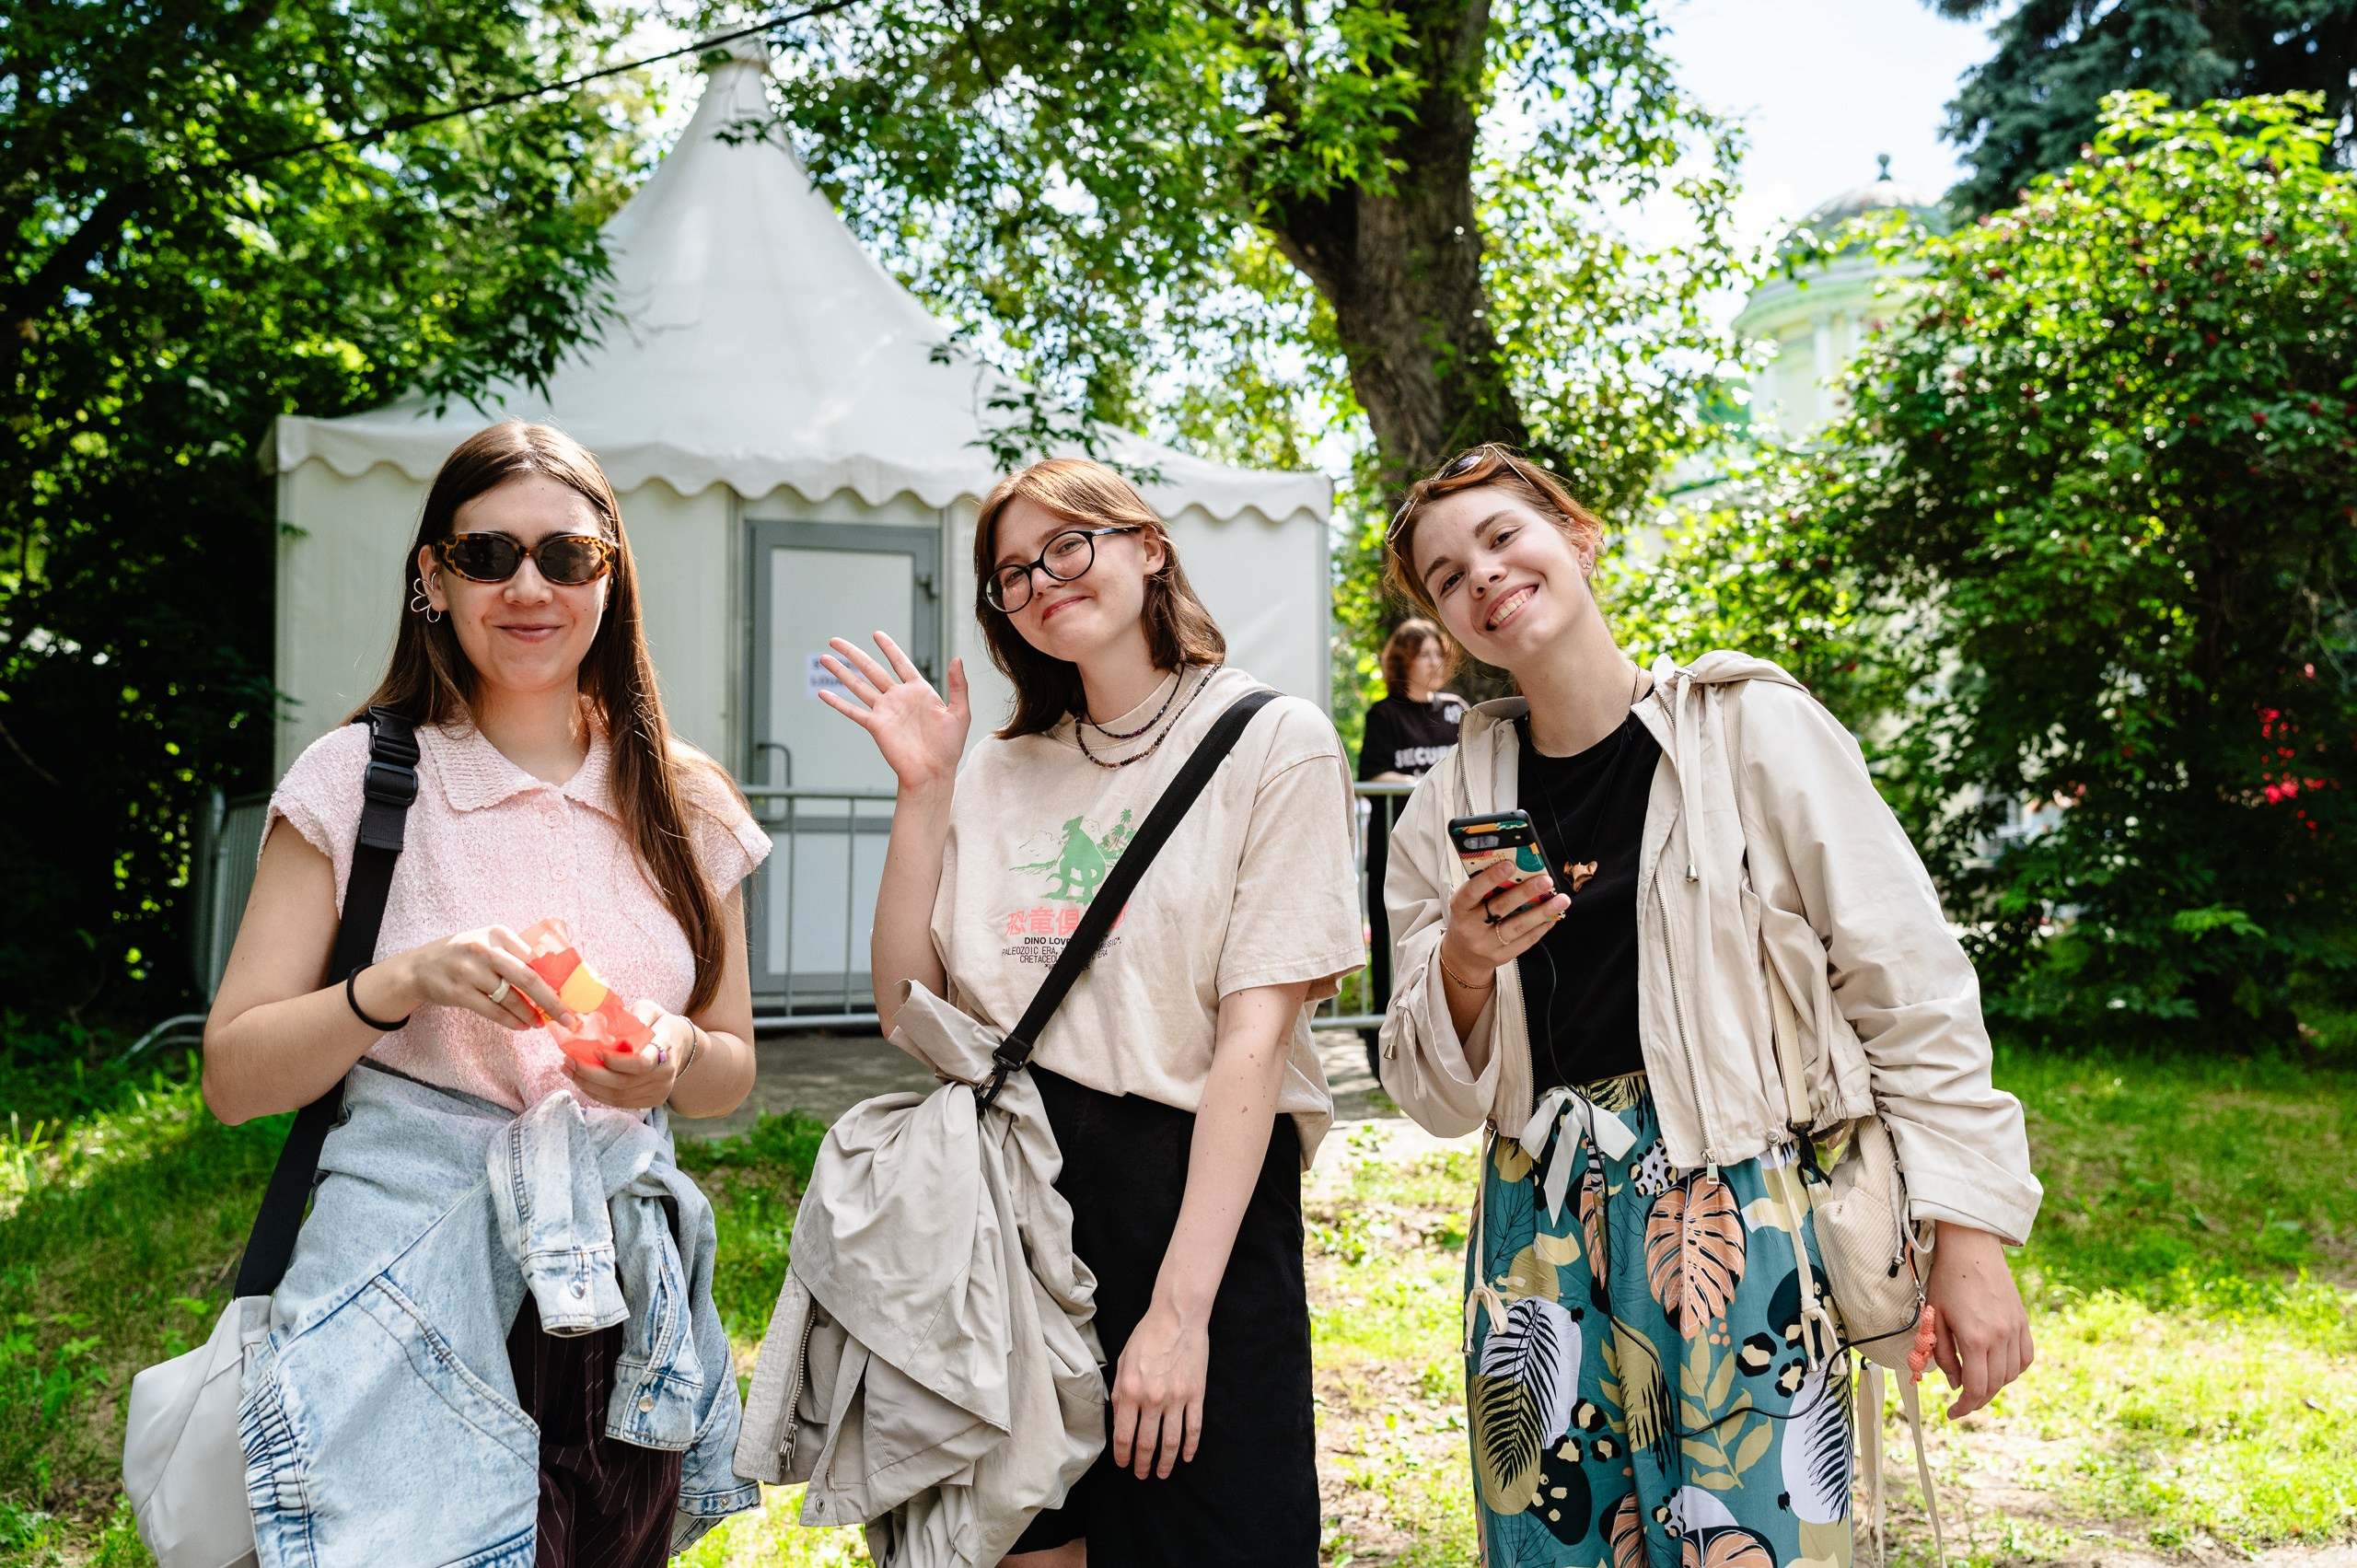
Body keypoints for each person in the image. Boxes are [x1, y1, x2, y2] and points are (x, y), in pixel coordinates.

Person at [1375, 446, 2040, 1565]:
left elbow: (1907, 983)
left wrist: (1969, 1239)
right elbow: (1428, 1093)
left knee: (1762, 1545)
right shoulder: (1448, 798)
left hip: (1744, 1212)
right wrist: (1462, 966)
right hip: (1534, 1243)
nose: (1480, 576)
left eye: (1502, 537)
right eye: (1446, 576)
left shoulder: (1748, 729)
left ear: (1577, 536)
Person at [204, 421, 767, 1566]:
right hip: (404, 1284)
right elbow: (231, 1074)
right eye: (487, 556)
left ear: (609, 573)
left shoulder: (686, 798)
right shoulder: (356, 780)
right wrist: (393, 984)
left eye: (565, 557)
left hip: (617, 1296)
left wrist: (670, 1053)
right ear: (433, 575)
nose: (529, 587)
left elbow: (730, 1066)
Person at [813, 457, 1362, 1567]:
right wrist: (923, 788)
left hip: (1190, 1188)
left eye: (1070, 544)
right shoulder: (998, 768)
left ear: (1148, 545)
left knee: (1214, 1535)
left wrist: (1179, 1309)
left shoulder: (1273, 738)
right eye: (1013, 572)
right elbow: (902, 1000)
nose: (1044, 579)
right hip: (1013, 1198)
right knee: (1028, 1543)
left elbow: (1254, 1039)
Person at [1354, 620, 1466, 1075]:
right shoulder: (1384, 715)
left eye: (1440, 654)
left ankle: (1445, 1049)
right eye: (1425, 655)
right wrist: (1423, 785)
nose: (1436, 663)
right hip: (1398, 853)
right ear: (1404, 661)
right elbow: (1372, 775)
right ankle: (1387, 1053)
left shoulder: (1458, 710)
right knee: (1393, 947)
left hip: (1453, 852)